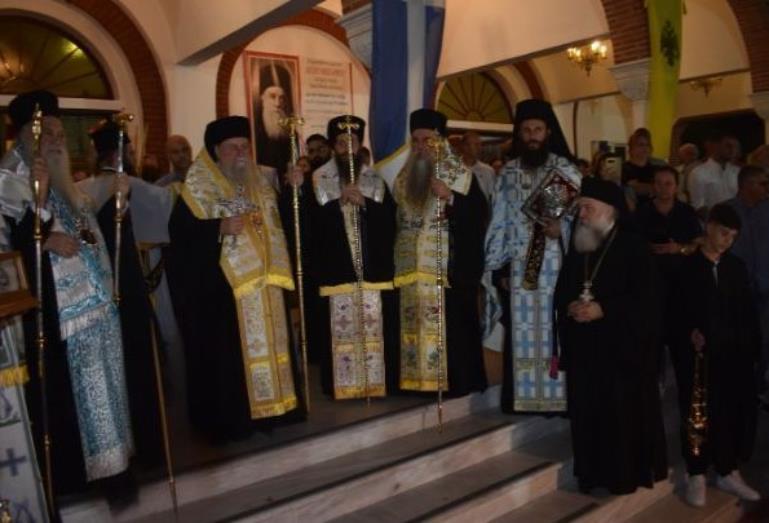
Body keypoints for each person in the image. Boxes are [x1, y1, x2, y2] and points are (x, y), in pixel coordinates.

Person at [0, 91, 134, 503]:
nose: (57, 142)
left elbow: (87, 224)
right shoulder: (8, 182)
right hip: (59, 317)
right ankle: (81, 476)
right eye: (48, 134)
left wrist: (117, 204)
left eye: (60, 135)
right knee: (71, 396)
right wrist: (43, 239)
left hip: (96, 310)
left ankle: (114, 467)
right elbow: (10, 249)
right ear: (26, 139)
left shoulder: (64, 182)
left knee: (105, 388)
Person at [167, 116, 301, 442]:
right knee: (230, 360)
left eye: (245, 147)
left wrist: (294, 192)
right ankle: (239, 418)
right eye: (233, 148)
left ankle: (277, 410)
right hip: (225, 294)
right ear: (216, 150)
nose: (241, 154)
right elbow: (179, 236)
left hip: (266, 287)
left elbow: (281, 224)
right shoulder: (198, 189)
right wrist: (218, 228)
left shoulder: (261, 184)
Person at [554, 177, 667, 494]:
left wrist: (604, 309)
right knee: (587, 415)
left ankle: (621, 477)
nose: (581, 215)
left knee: (619, 418)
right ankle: (590, 475)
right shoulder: (580, 244)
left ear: (610, 211)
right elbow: (563, 290)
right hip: (585, 351)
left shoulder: (633, 247)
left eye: (587, 208)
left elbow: (647, 301)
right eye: (580, 209)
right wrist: (570, 306)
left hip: (620, 353)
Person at [78, 119, 172, 467]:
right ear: (122, 153)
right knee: (139, 362)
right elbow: (168, 207)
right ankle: (149, 444)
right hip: (132, 287)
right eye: (130, 151)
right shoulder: (132, 186)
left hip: (97, 290)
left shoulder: (80, 190)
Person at [289, 115, 397, 399]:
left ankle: (374, 382)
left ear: (360, 145)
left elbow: (390, 221)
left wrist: (367, 205)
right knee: (338, 333)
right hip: (336, 269)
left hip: (371, 271)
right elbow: (307, 225)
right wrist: (333, 204)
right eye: (340, 143)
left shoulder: (375, 179)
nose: (347, 149)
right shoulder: (318, 179)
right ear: (333, 147)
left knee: (374, 329)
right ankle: (343, 385)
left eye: (353, 142)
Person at [484, 99, 581, 413]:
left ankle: (557, 399)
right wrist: (499, 268)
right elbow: (498, 222)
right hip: (519, 270)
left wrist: (562, 229)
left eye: (537, 129)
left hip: (556, 267)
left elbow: (583, 219)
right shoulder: (508, 173)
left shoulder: (565, 171)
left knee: (555, 330)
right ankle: (524, 399)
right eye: (526, 130)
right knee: (522, 332)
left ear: (548, 131)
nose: (532, 136)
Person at [393, 109, 488, 397]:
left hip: (448, 269)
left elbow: (479, 215)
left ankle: (453, 381)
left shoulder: (460, 175)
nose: (421, 146)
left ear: (441, 141)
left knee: (452, 327)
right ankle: (418, 382)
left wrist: (451, 197)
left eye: (428, 140)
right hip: (410, 270)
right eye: (416, 140)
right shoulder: (403, 178)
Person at [672, 204, 761, 507]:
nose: (727, 241)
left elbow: (747, 313)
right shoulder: (686, 268)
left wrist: (750, 349)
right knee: (696, 413)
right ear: (708, 226)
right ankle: (696, 473)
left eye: (733, 237)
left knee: (728, 412)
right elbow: (673, 312)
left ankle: (727, 469)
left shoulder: (736, 267)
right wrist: (689, 333)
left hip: (731, 357)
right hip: (697, 359)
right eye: (723, 233)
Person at [726, 166, 769, 402]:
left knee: (765, 340)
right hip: (736, 290)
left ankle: (758, 386)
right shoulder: (726, 211)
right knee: (737, 340)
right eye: (762, 183)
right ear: (747, 185)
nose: (766, 188)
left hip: (766, 288)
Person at [252, 60, 292, 174]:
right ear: (262, 97)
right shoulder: (255, 130)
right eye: (272, 96)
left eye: (281, 98)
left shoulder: (291, 131)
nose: (278, 104)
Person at [688, 131, 740, 217]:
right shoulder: (699, 173)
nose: (732, 150)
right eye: (728, 146)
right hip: (712, 222)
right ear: (715, 146)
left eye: (735, 147)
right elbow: (699, 206)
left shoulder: (737, 172)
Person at [621, 128, 656, 207]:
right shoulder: (623, 169)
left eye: (647, 145)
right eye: (641, 145)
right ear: (631, 149)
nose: (645, 148)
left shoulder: (656, 169)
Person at [460, 131, 496, 204]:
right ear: (464, 146)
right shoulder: (452, 168)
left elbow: (492, 197)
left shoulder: (488, 170)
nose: (478, 148)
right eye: (476, 144)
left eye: (479, 145)